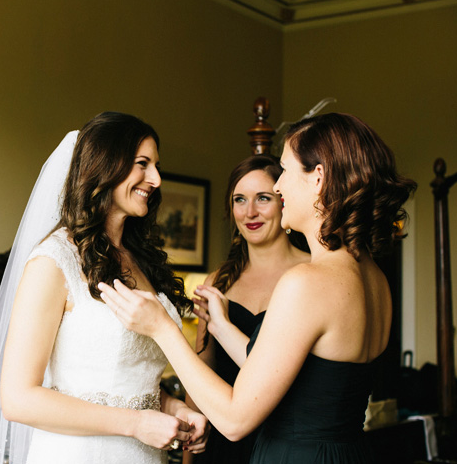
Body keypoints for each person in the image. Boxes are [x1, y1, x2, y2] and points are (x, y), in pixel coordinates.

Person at [100, 113, 417, 463]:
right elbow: (300, 378)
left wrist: (161, 328)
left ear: (318, 178)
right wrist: (220, 326)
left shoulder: (307, 283)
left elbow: (235, 421)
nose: (278, 187)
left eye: (284, 172)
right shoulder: (375, 278)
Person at [0, 112, 208, 464]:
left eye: (156, 166)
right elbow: (19, 399)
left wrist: (173, 408)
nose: (155, 179)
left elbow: (127, 379)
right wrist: (136, 423)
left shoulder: (142, 260)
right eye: (142, 164)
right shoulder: (53, 261)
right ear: (106, 165)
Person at [182, 154, 309, 464]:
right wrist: (188, 454)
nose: (250, 211)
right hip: (223, 444)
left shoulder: (310, 275)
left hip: (285, 441)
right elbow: (203, 371)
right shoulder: (219, 282)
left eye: (262, 198)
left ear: (283, 201)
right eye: (240, 199)